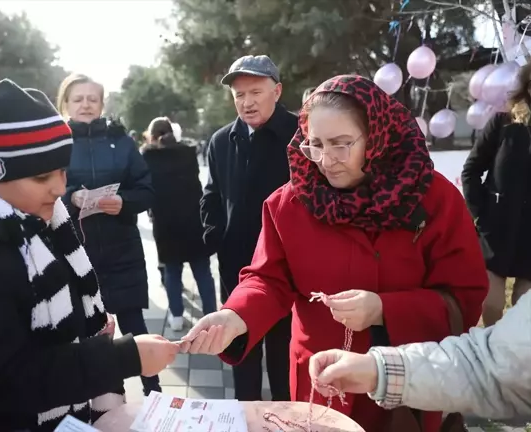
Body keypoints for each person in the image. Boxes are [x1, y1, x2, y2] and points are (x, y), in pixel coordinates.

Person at [182, 75, 488, 432]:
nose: (326, 161)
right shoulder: (290, 203)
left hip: (408, 382)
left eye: (341, 144)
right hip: (322, 383)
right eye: (315, 144)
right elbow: (267, 279)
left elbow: (463, 297)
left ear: (376, 137)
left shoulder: (432, 198)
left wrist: (384, 310)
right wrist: (236, 316)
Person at [0, 79, 178, 432]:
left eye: (63, 171)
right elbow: (3, 378)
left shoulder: (44, 219)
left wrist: (87, 326)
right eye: (42, 177)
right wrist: (124, 357)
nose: (59, 187)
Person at [57, 73, 160, 395]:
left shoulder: (123, 142)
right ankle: (104, 401)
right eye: (78, 99)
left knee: (134, 327)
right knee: (88, 335)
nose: (86, 104)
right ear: (65, 104)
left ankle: (153, 393)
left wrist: (124, 201)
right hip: (73, 252)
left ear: (102, 104)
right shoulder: (55, 143)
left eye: (92, 99)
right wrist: (69, 196)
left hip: (122, 251)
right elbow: (39, 189)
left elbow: (147, 190)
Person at [200, 54, 295, 402]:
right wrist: (215, 236)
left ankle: (287, 419)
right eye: (239, 95)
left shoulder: (300, 135)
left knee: (285, 358)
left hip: (287, 269)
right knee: (242, 351)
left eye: (255, 91)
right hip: (236, 265)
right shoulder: (221, 141)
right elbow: (211, 195)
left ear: (277, 90)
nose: (247, 102)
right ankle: (246, 418)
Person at [309, 290, 531, 420]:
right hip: (334, 374)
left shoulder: (439, 209)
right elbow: (488, 366)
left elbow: (465, 295)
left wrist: (387, 309)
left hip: (416, 407)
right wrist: (377, 370)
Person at [461, 61, 531, 326]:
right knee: (491, 304)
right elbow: (471, 171)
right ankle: (492, 352)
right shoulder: (502, 123)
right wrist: (480, 214)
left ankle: (521, 359)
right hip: (497, 228)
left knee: (525, 308)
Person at [141, 117, 217, 331]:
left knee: (172, 271)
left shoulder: (148, 156)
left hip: (165, 223)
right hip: (194, 219)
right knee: (202, 270)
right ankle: (211, 314)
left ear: (153, 135)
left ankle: (176, 316)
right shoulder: (188, 152)